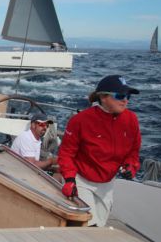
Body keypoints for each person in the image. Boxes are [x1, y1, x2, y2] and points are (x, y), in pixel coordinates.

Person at [58, 75, 141, 226]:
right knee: (89, 225)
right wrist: (69, 179)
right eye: (120, 96)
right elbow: (66, 153)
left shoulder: (131, 120)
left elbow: (133, 152)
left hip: (107, 183)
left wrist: (130, 165)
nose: (125, 100)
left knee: (100, 225)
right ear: (103, 97)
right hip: (81, 180)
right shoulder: (80, 121)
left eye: (128, 96)